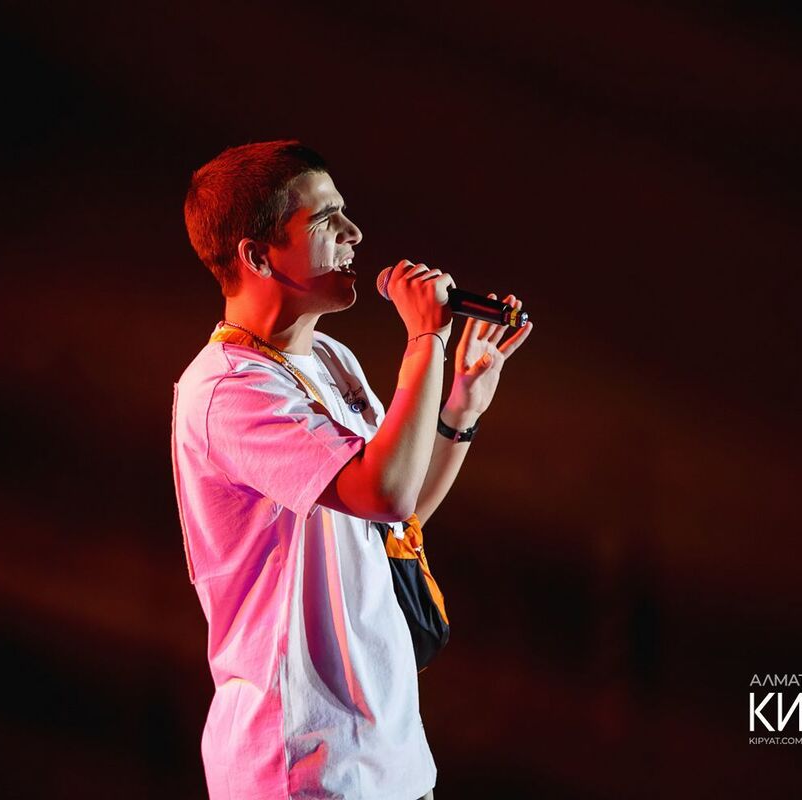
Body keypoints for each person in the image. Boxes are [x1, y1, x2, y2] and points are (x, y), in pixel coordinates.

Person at [171, 140, 532, 800]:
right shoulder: (228, 390)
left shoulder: (333, 358)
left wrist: (459, 410)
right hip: (305, 767)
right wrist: (424, 340)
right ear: (257, 256)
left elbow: (396, 515)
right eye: (324, 219)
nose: (355, 233)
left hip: (390, 757)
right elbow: (383, 491)